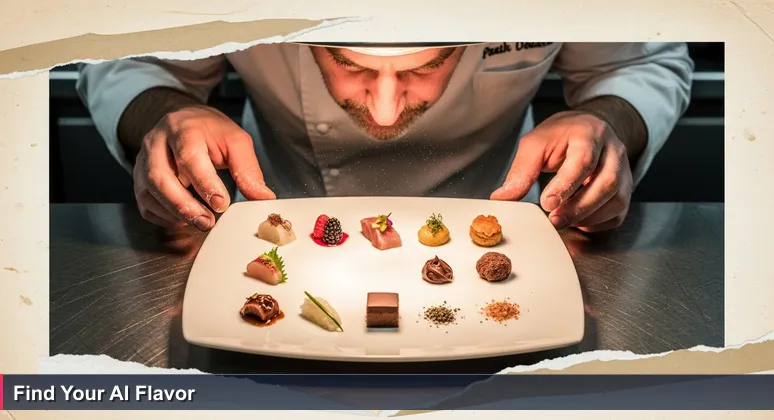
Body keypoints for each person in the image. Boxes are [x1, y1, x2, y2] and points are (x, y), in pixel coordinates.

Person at [76, 42, 693, 233]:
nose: (386, 107)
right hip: (279, 215)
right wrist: (165, 114)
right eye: (349, 65)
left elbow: (640, 62)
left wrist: (610, 121)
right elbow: (130, 60)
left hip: (507, 222)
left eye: (428, 66)